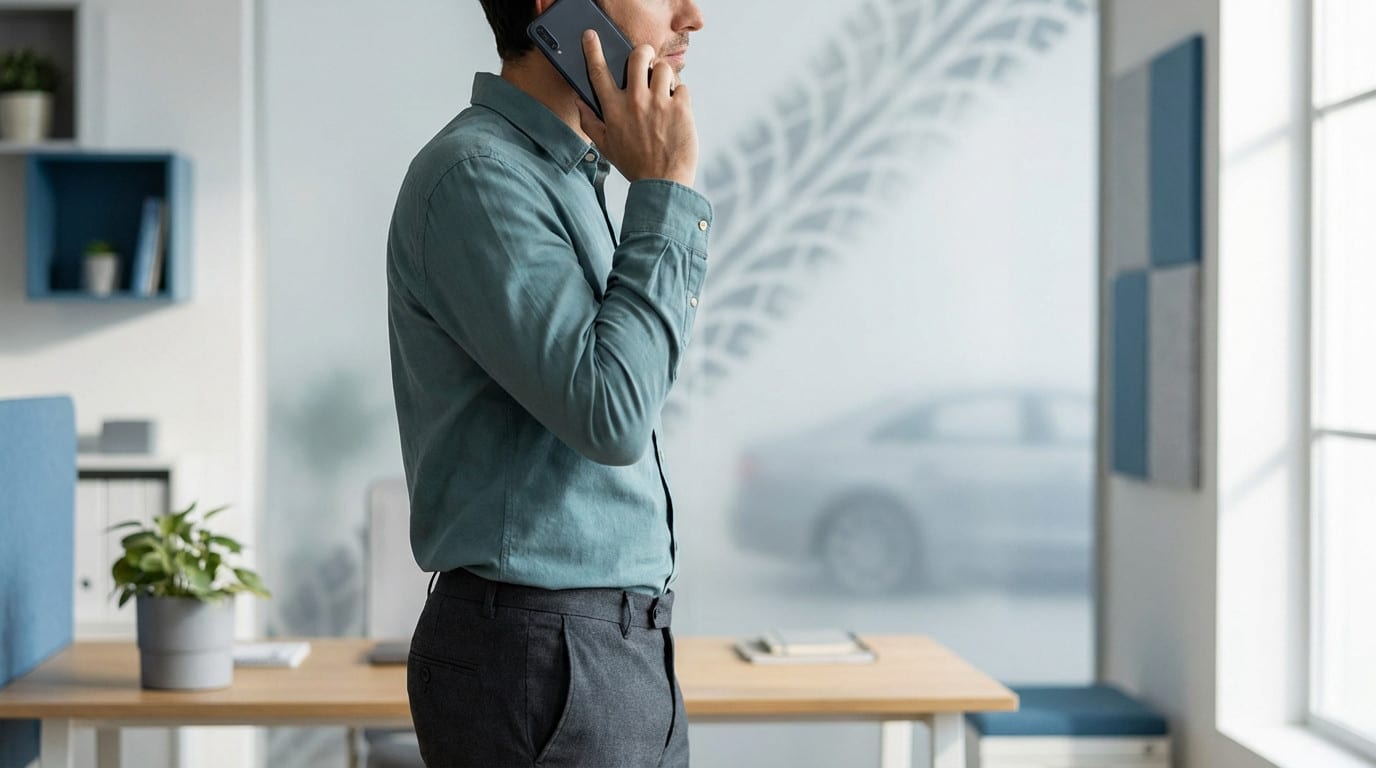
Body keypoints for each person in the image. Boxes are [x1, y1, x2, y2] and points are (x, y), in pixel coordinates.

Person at [385, 0, 709, 763]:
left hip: (605, 647)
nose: (693, 17)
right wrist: (667, 188)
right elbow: (611, 415)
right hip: (543, 652)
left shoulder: (565, 178)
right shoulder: (479, 176)